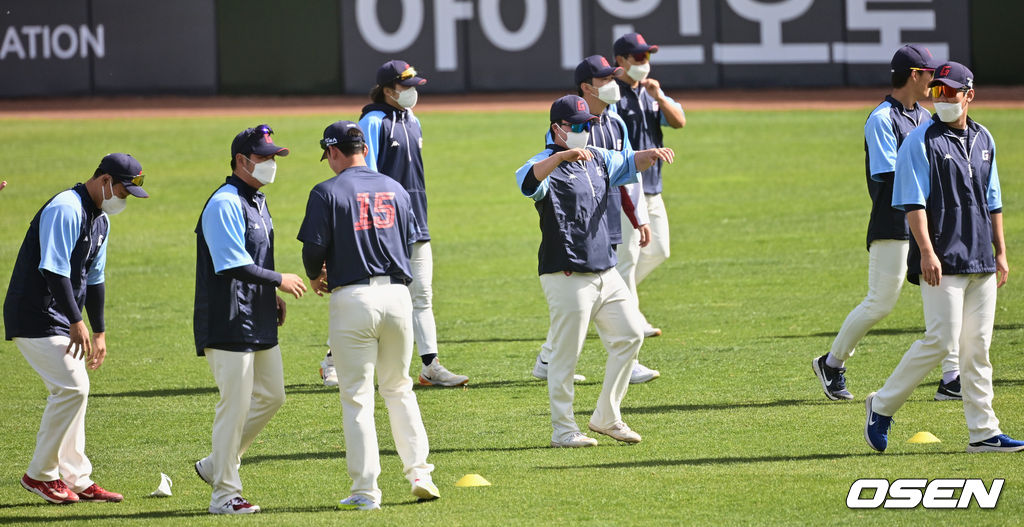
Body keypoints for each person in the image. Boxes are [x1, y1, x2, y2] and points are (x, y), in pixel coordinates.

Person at [864, 62, 1024, 453]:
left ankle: (983, 433)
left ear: (969, 95)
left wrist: (1000, 252)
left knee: (977, 348)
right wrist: (927, 253)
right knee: (940, 341)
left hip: (980, 260)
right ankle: (881, 407)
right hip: (942, 259)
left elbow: (994, 200)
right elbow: (912, 203)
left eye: (950, 92)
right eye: (937, 92)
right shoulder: (919, 141)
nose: (942, 99)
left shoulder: (985, 138)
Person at [516, 95, 674, 447]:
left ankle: (607, 416)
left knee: (631, 335)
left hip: (605, 270)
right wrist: (560, 157)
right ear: (556, 128)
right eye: (576, 126)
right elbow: (526, 182)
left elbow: (627, 162)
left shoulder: (599, 158)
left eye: (587, 125)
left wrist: (648, 156)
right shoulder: (544, 162)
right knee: (566, 355)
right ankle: (563, 430)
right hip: (566, 274)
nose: (584, 131)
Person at [300, 121, 438, 510]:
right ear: (362, 146)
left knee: (358, 397)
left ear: (333, 152)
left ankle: (366, 491)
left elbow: (313, 248)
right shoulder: (395, 188)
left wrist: (315, 274)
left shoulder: (326, 191)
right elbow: (409, 242)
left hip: (353, 298)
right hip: (398, 296)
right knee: (399, 388)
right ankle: (420, 473)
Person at [814, 45, 960, 402]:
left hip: (928, 223)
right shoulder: (881, 119)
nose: (934, 82)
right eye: (929, 74)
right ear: (914, 75)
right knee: (880, 302)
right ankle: (832, 363)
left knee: (945, 291)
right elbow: (888, 175)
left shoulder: (925, 117)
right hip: (892, 223)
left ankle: (952, 376)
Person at [4, 153, 148, 504]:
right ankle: (39, 475)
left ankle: (77, 478)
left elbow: (95, 280)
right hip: (33, 313)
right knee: (73, 388)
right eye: (122, 191)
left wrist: (98, 330)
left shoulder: (100, 220)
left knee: (74, 390)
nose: (124, 198)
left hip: (59, 315)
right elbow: (53, 270)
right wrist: (76, 320)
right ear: (103, 181)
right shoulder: (66, 208)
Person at [320, 59, 467, 388]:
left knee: (422, 295)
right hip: (383, 226)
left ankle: (431, 366)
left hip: (416, 221)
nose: (413, 93)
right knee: (371, 294)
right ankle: (332, 360)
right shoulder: (372, 122)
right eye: (406, 87)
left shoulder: (413, 119)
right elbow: (364, 177)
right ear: (388, 91)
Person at [193, 125, 307, 514]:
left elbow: (253, 259)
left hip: (255, 315)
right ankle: (224, 494)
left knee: (273, 396)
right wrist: (280, 280)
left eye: (273, 156)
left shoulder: (256, 200)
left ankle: (215, 464)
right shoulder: (225, 202)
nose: (271, 163)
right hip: (227, 319)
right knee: (235, 405)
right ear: (241, 160)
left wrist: (268, 294)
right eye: (263, 157)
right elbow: (232, 263)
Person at [532, 55, 660, 385]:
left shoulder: (615, 123)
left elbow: (629, 171)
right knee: (591, 296)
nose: (612, 84)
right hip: (584, 227)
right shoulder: (568, 128)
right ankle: (569, 363)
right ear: (587, 87)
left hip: (611, 218)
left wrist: (639, 216)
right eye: (605, 80)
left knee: (597, 296)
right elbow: (533, 179)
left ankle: (549, 357)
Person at [610, 32, 685, 338]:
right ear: (621, 61)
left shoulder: (651, 91)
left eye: (647, 57)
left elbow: (679, 121)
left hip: (653, 186)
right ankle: (630, 315)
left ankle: (612, 297)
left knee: (659, 250)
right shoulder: (613, 94)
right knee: (628, 259)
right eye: (637, 57)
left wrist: (659, 97)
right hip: (628, 186)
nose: (644, 63)